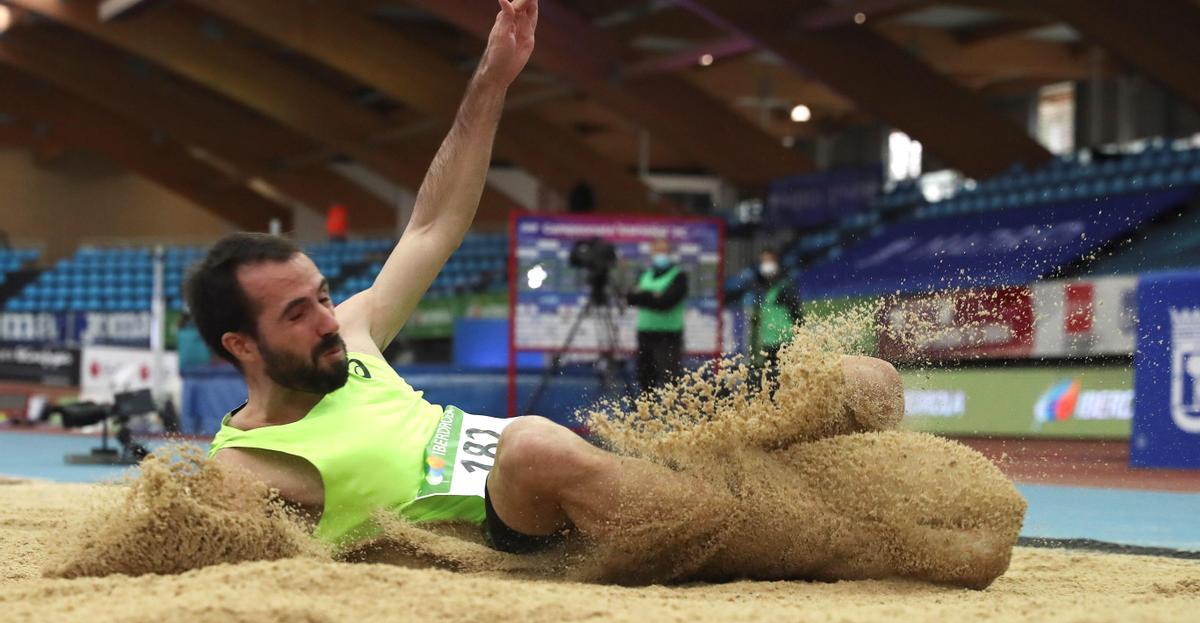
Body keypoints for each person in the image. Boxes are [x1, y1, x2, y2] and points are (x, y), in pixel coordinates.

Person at [189, 0, 1013, 589]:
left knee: (866, 383)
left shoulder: (354, 337)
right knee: (531, 444)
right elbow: (200, 540)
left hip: (589, 479)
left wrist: (492, 81)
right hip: (509, 525)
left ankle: (811, 502)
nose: (328, 318)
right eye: (296, 312)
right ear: (241, 345)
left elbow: (434, 223)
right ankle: (820, 539)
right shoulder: (248, 464)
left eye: (323, 295)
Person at [625, 239, 687, 393]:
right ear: (652, 253)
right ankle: (646, 407)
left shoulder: (679, 276)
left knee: (669, 375)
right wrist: (653, 295)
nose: (661, 255)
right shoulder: (645, 274)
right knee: (645, 374)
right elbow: (631, 298)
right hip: (646, 333)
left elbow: (667, 302)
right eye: (657, 251)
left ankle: (671, 410)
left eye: (664, 251)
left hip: (669, 334)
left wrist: (644, 295)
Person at [748, 248, 803, 385]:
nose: (766, 264)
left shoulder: (785, 287)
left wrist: (800, 339)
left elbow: (797, 314)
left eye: (769, 260)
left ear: (776, 262)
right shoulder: (761, 289)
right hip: (768, 344)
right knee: (771, 383)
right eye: (763, 261)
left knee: (786, 382)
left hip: (785, 343)